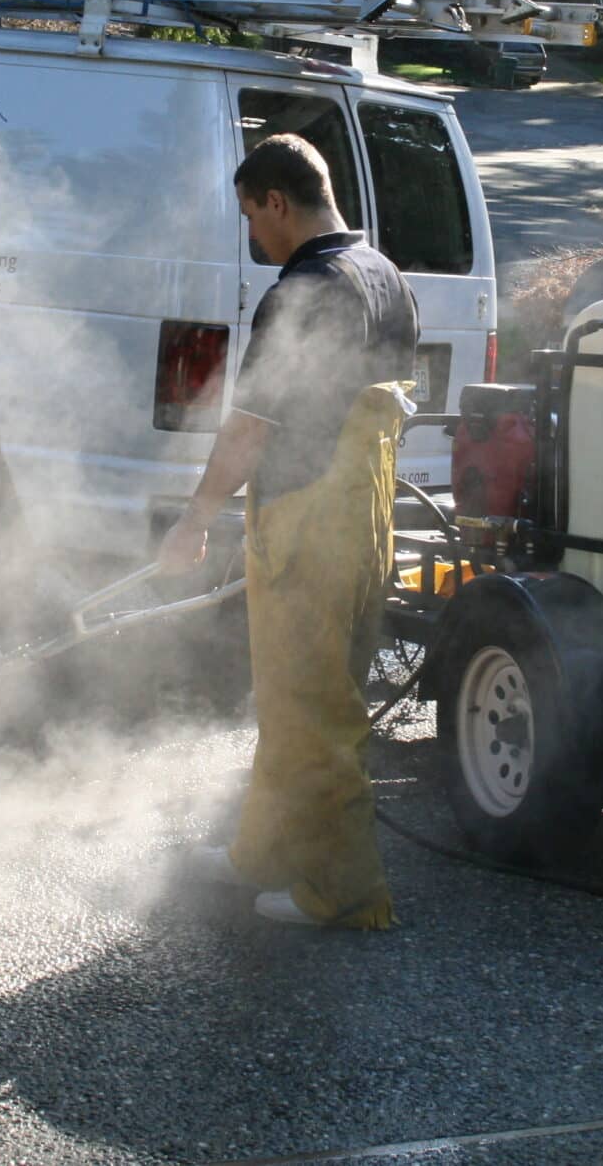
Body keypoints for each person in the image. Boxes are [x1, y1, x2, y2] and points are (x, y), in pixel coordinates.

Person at [156, 133, 420, 929]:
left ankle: (345, 892)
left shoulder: (303, 290)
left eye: (251, 216)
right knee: (298, 697)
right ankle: (264, 854)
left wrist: (195, 517)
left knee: (314, 712)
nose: (252, 238)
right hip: (367, 514)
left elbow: (249, 428)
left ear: (278, 200)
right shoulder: (386, 276)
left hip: (308, 518)